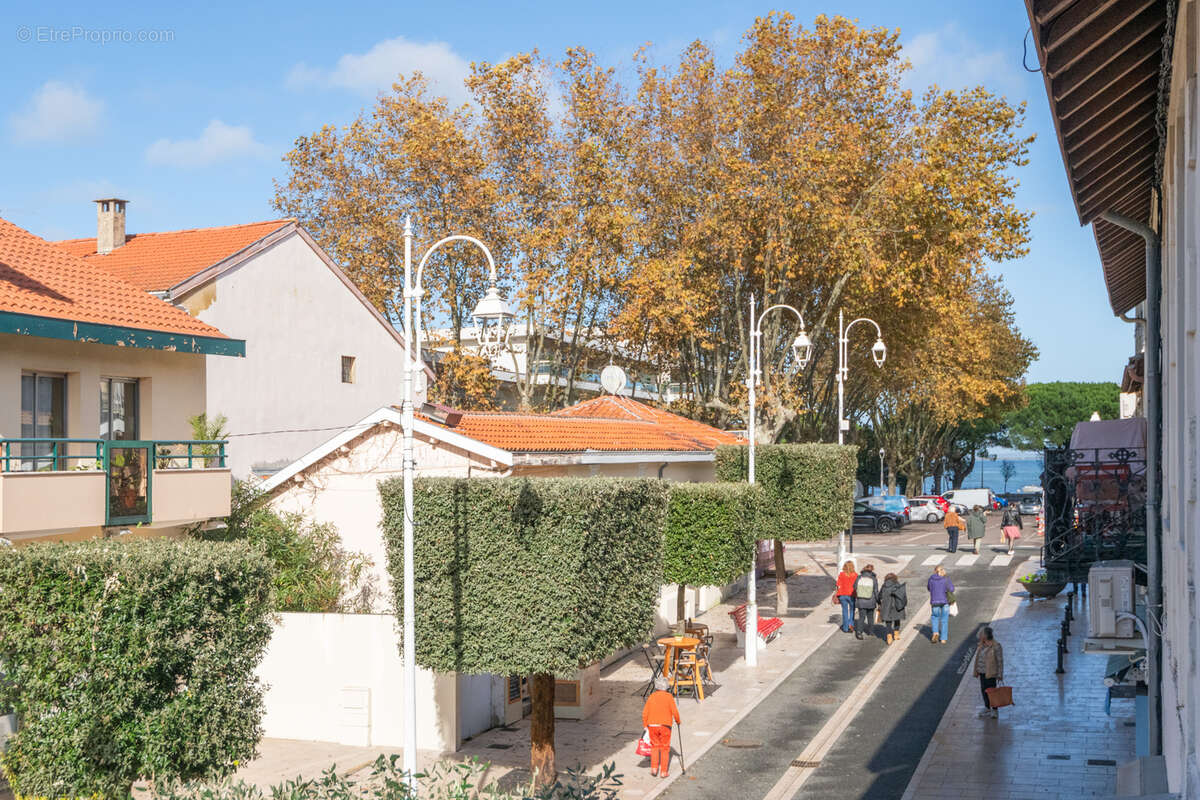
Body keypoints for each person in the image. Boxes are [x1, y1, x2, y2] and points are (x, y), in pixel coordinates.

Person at [642, 676, 681, 777]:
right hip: (665, 725)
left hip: (652, 725)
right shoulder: (669, 697)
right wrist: (678, 721)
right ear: (667, 687)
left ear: (656, 687)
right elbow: (674, 711)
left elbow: (645, 713)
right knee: (665, 748)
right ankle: (664, 772)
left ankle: (654, 769)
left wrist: (645, 724)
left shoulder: (651, 696)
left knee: (654, 747)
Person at [973, 626, 1005, 718]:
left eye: (981, 635)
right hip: (982, 672)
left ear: (985, 636)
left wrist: (1000, 674)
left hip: (991, 673)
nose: (979, 637)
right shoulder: (981, 645)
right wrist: (977, 670)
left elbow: (1000, 661)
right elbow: (978, 659)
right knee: (984, 690)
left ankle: (994, 710)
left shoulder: (996, 646)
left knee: (992, 691)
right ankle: (987, 707)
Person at [876, 572, 908, 645]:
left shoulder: (884, 586)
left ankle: (889, 636)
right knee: (897, 619)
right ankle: (896, 634)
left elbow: (879, 596)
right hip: (896, 605)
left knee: (888, 622)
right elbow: (903, 595)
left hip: (887, 606)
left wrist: (879, 603)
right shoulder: (897, 585)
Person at [927, 565, 955, 644]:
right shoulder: (945, 579)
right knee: (944, 620)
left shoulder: (931, 579)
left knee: (935, 617)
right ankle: (943, 638)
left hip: (934, 602)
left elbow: (929, 588)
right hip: (945, 601)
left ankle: (935, 633)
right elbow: (952, 589)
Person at [853, 563, 879, 640]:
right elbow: (876, 591)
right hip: (871, 601)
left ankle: (859, 633)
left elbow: (854, 587)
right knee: (870, 617)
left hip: (861, 601)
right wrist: (878, 601)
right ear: (872, 570)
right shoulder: (873, 579)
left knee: (861, 617)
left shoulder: (859, 577)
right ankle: (871, 631)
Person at [834, 560, 858, 633]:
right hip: (851, 595)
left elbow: (838, 585)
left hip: (842, 595)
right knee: (852, 610)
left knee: (844, 611)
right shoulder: (855, 575)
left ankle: (845, 627)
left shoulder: (841, 574)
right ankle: (851, 624)